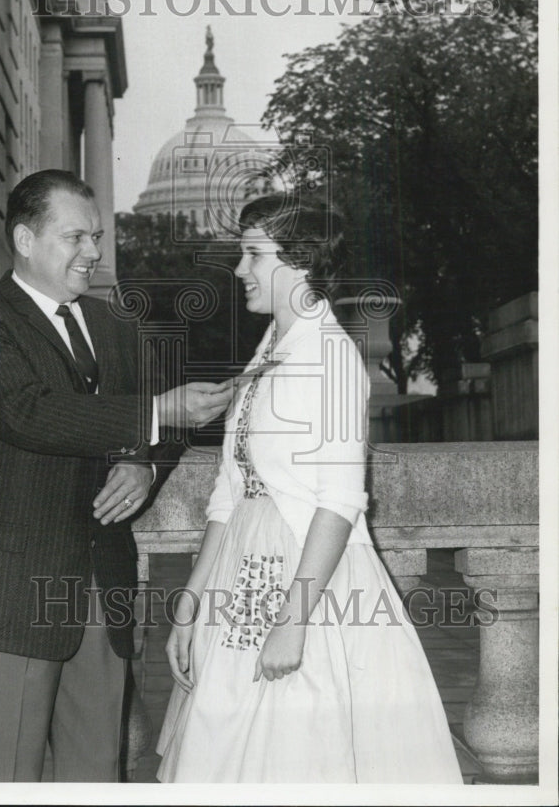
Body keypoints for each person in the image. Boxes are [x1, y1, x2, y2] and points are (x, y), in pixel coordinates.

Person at [0, 169, 231, 782]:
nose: (93, 252)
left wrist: (143, 464)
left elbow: (168, 426)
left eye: (96, 237)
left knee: (96, 779)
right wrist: (156, 412)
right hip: (1, 599)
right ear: (24, 240)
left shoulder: (117, 327)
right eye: (75, 238)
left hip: (100, 592)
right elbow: (28, 413)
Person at [156, 191, 463, 783]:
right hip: (241, 574)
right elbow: (230, 490)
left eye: (253, 254)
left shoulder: (331, 356)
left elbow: (340, 502)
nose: (240, 269)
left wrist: (293, 621)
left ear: (299, 261)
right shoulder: (271, 347)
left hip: (308, 585)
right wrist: (191, 601)